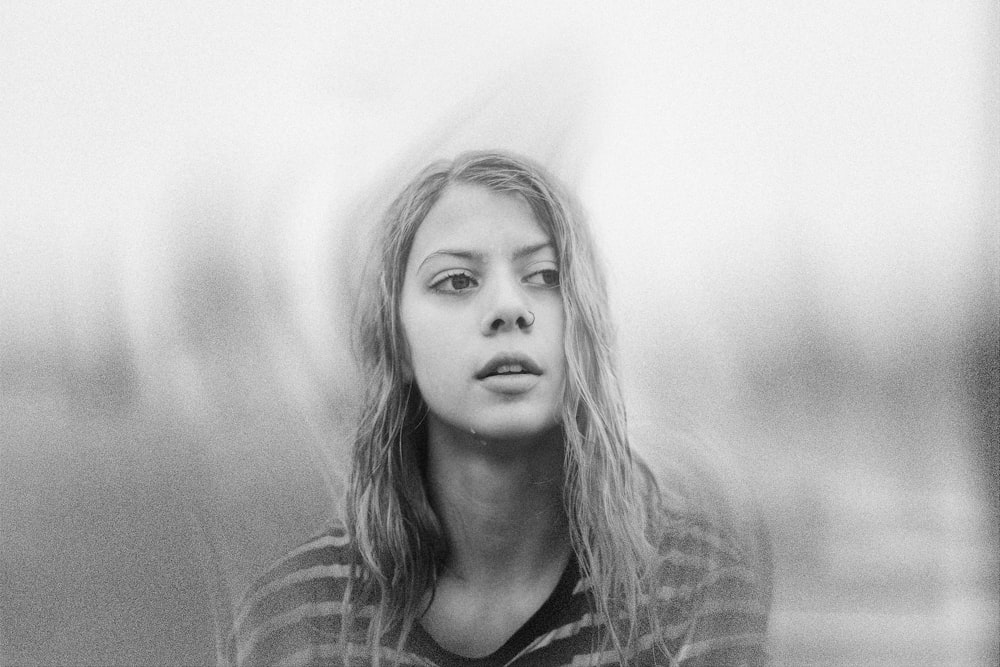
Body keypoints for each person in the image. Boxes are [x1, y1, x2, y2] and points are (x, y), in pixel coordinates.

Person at [231, 151, 771, 666]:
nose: (510, 308)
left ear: (583, 325)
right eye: (457, 281)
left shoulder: (691, 592)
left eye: (543, 276)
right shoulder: (295, 618)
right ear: (396, 340)